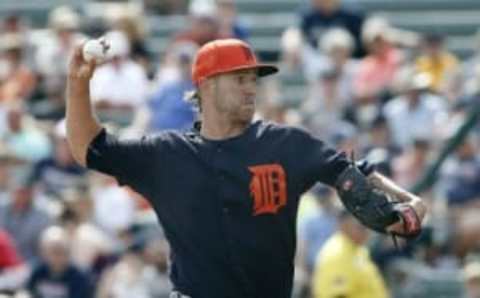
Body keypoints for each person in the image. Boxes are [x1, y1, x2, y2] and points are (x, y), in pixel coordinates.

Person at [66, 38, 426, 298]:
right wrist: (78, 85)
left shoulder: (287, 145)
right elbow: (90, 150)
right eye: (239, 79)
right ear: (206, 86)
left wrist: (404, 203)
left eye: (253, 79)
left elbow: (351, 173)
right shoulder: (165, 154)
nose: (250, 88)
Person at [311, 210, 389, 298]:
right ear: (344, 226)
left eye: (368, 226)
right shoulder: (337, 254)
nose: (367, 231)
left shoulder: (358, 249)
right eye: (361, 227)